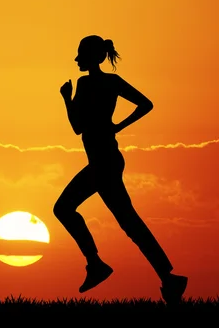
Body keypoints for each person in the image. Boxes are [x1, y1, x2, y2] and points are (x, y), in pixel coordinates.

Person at [53, 35, 188, 304]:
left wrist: (67, 100)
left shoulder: (89, 83)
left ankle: (96, 265)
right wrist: (117, 125)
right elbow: (144, 105)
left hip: (104, 162)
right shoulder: (107, 82)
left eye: (80, 54)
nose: (77, 59)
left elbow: (77, 126)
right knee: (129, 222)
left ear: (92, 57)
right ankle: (168, 278)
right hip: (106, 160)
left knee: (64, 209)